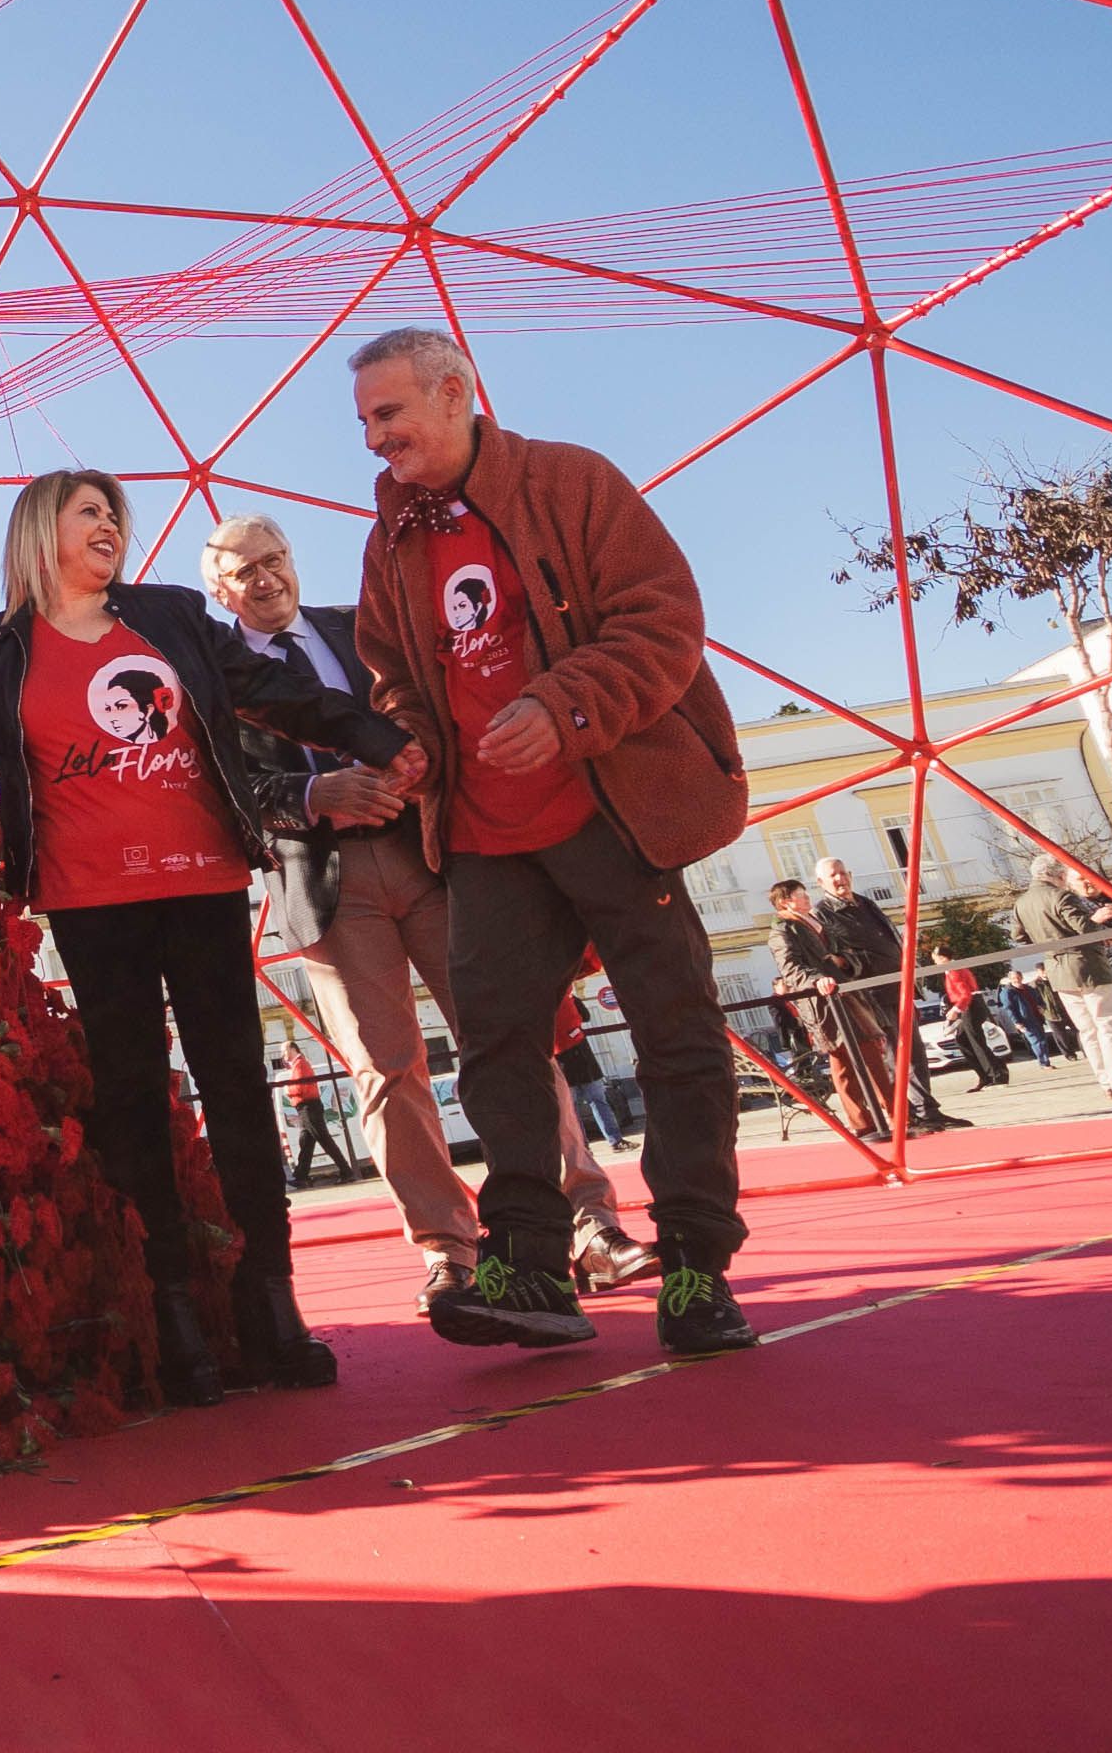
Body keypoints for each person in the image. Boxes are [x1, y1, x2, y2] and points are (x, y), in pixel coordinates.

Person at [0, 470, 412, 1407]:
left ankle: (272, 1308)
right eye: (88, 513)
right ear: (41, 534)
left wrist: (382, 740)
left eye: (114, 513)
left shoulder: (173, 616)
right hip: (89, 901)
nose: (109, 524)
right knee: (131, 1103)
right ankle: (177, 1322)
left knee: (236, 1091)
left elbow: (283, 698)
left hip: (201, 887)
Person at [346, 327, 756, 1355]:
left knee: (675, 1032)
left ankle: (697, 1267)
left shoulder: (573, 482)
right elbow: (391, 669)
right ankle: (527, 1264)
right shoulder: (390, 538)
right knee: (494, 1049)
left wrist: (565, 707)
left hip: (609, 810)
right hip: (487, 834)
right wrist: (411, 748)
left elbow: (662, 619)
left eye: (388, 414)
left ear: (454, 393)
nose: (374, 439)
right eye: (363, 421)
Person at [202, 513, 654, 1311]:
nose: (265, 577)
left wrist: (416, 767)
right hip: (328, 889)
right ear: (218, 588)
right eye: (244, 570)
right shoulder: (211, 671)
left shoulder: (363, 632)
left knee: (506, 1040)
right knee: (386, 1073)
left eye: (275, 558)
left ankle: (587, 1227)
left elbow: (438, 714)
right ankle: (452, 1252)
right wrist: (314, 796)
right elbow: (222, 787)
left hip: (435, 859)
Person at [811, 858, 962, 1128]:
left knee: (914, 1051)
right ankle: (909, 1113)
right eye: (832, 875)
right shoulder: (823, 913)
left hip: (898, 985)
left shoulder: (865, 902)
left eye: (843, 873)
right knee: (893, 1054)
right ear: (821, 882)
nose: (840, 879)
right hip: (870, 993)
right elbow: (834, 957)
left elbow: (890, 937)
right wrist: (853, 965)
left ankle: (925, 1109)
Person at [1018, 856, 1112, 1098]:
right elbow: (1085, 928)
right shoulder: (1061, 896)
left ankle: (1106, 1082)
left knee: (1087, 1031)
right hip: (1088, 967)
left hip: (1058, 971)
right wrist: (1106, 933)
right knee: (1110, 1024)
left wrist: (1050, 943)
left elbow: (1020, 938)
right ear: (1058, 875)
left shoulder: (1021, 904)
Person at [769, 881, 892, 1140]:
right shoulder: (782, 930)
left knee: (851, 1057)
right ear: (785, 901)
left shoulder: (815, 923)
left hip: (845, 994)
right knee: (855, 1054)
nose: (806, 898)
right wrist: (817, 980)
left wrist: (843, 961)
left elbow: (845, 953)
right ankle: (889, 1114)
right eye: (800, 895)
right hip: (824, 1002)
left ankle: (869, 1120)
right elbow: (790, 968)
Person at [558, 993, 633, 1151]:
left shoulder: (541, 1003)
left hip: (562, 1063)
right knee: (598, 1102)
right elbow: (586, 1016)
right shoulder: (569, 997)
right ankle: (615, 1141)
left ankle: (583, 1148)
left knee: (572, 1110)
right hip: (584, 1060)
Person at [929, 946, 1010, 1090]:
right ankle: (986, 1075)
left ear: (942, 957)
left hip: (970, 1005)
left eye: (935, 959)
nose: (935, 962)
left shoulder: (954, 970)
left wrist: (956, 1009)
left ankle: (997, 1074)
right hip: (969, 1005)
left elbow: (965, 994)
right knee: (963, 1040)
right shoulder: (953, 969)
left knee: (975, 1041)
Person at [282, 1045, 359, 1186]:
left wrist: (287, 1089)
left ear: (293, 1049)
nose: (283, 1054)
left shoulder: (300, 1064)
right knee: (306, 1142)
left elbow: (299, 1086)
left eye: (284, 1050)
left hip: (308, 1106)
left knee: (323, 1139)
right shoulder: (300, 1064)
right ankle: (301, 1176)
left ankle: (346, 1171)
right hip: (307, 1107)